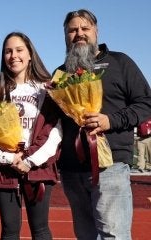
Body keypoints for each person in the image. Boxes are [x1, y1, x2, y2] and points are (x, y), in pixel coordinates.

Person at [56, 9, 151, 239]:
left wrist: (111, 120)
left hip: (111, 167)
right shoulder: (60, 74)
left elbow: (146, 102)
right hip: (72, 170)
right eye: (72, 30)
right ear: (66, 35)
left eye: (84, 28)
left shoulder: (120, 62)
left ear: (96, 32)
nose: (79, 34)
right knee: (84, 235)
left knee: (113, 235)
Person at [0, 32, 62, 239]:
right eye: (8, 51)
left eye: (19, 50)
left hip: (37, 167)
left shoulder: (47, 87)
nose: (13, 55)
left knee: (40, 228)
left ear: (30, 54)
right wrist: (9, 158)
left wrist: (30, 160)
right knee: (9, 230)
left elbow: (55, 131)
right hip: (6, 169)